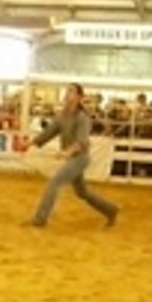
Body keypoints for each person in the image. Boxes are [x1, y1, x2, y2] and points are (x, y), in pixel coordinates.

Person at [24, 83, 119, 228]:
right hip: (73, 158)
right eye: (67, 91)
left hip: (80, 158)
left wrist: (68, 152)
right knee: (82, 193)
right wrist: (30, 144)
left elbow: (82, 142)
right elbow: (48, 133)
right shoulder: (62, 116)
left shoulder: (83, 118)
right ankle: (111, 210)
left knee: (54, 183)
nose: (67, 94)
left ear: (79, 97)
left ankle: (40, 220)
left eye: (71, 92)